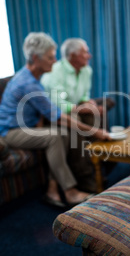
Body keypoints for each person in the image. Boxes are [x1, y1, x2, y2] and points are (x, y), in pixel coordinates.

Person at [0, 32, 110, 208]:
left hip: (24, 128)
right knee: (56, 136)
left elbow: (42, 113)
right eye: (50, 58)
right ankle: (70, 191)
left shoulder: (32, 78)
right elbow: (58, 116)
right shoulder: (27, 83)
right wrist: (96, 132)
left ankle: (52, 190)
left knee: (63, 134)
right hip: (6, 132)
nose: (55, 61)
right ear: (35, 58)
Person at [41, 38, 114, 193]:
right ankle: (84, 177)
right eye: (85, 52)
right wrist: (80, 109)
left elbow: (83, 94)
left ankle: (99, 169)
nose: (89, 55)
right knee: (76, 122)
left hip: (73, 107)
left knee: (95, 116)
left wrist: (88, 103)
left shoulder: (86, 70)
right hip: (53, 114)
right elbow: (57, 103)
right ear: (73, 55)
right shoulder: (55, 71)